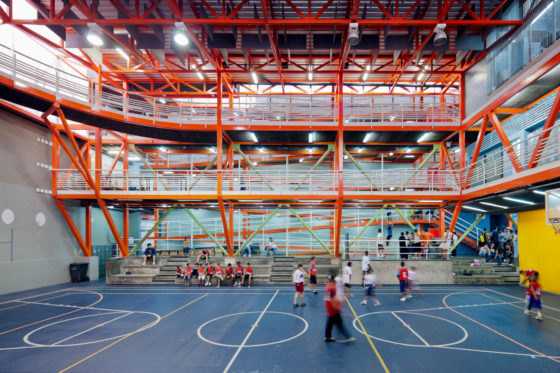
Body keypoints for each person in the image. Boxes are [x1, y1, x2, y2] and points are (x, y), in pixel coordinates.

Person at [324, 271, 355, 343]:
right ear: (334, 280)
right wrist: (341, 310)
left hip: (328, 306)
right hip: (332, 308)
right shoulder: (332, 288)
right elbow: (333, 300)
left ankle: (327, 337)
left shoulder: (327, 286)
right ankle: (348, 337)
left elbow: (327, 297)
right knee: (339, 323)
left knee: (330, 322)